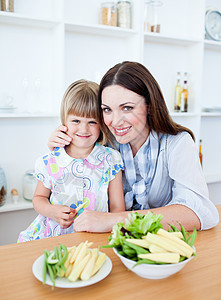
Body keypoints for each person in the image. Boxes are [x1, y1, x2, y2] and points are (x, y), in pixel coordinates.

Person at [48, 61, 219, 233]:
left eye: (127, 108)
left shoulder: (177, 143)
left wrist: (116, 220)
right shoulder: (103, 143)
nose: (115, 121)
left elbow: (199, 212)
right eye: (107, 110)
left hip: (160, 245)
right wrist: (61, 148)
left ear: (150, 106)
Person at [18, 80, 125, 242]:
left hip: (95, 237)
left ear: (102, 123)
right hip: (52, 237)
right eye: (76, 121)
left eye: (92, 122)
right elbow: (38, 198)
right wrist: (52, 211)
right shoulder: (50, 161)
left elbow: (118, 207)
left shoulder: (111, 159)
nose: (83, 129)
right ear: (64, 120)